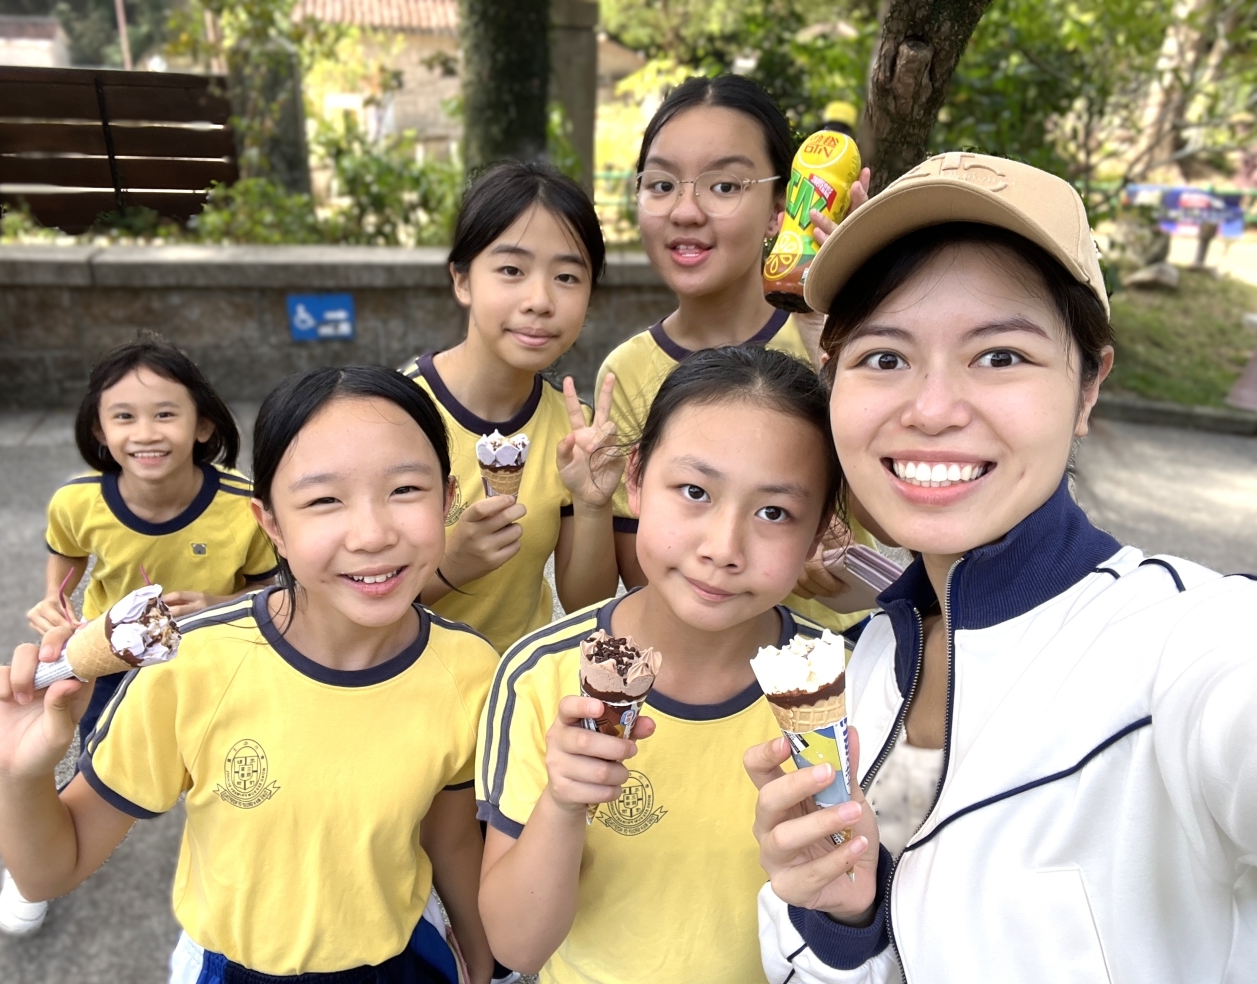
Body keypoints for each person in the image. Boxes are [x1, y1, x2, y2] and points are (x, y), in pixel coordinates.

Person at [746, 153, 1257, 983]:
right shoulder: (866, 662)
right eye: (884, 357)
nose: (932, 409)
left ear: (1088, 387)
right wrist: (841, 917)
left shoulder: (1180, 642)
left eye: (1000, 356)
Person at [0, 366, 498, 982]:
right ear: (270, 523)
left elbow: (451, 836)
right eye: (324, 499)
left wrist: (484, 962)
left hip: (402, 959)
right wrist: (16, 773)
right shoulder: (192, 666)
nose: (371, 535)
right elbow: (51, 869)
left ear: (447, 498)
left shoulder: (469, 669)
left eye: (405, 489)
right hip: (232, 967)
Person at [476, 346, 846, 984]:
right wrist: (563, 802)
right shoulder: (542, 676)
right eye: (695, 491)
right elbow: (516, 947)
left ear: (818, 533)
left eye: (774, 512)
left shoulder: (839, 684)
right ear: (637, 479)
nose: (723, 549)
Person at [0, 333, 276, 937]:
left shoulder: (243, 505)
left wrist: (218, 602)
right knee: (98, 754)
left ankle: (243, 854)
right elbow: (66, 555)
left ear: (203, 425)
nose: (145, 432)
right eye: (123, 416)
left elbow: (266, 585)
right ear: (99, 430)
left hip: (212, 655)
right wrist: (55, 601)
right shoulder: (76, 502)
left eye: (165, 414)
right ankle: (36, 860)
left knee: (230, 762)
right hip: (107, 654)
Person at [594, 74, 874, 633]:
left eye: (724, 186)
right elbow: (640, 574)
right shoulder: (625, 373)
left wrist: (850, 335)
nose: (686, 211)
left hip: (835, 664)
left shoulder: (835, 336)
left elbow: (894, 516)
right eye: (661, 184)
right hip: (693, 675)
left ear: (779, 209)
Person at [402, 160, 622, 653]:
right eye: (511, 270)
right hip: (407, 680)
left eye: (567, 276)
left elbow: (585, 605)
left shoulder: (575, 434)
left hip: (514, 682)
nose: (539, 300)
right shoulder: (394, 415)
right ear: (462, 280)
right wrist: (449, 568)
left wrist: (593, 504)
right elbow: (340, 595)